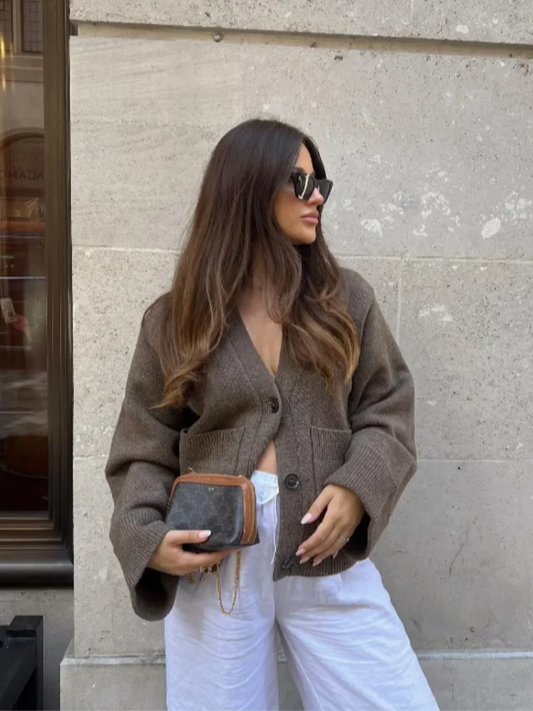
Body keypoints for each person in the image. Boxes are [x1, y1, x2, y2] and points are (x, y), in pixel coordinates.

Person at [105, 118, 439, 711]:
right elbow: (143, 445)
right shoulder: (176, 318)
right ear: (249, 187)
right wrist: (144, 537)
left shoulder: (346, 300)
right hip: (215, 560)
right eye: (300, 182)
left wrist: (358, 488)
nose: (317, 198)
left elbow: (388, 408)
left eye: (320, 184)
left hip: (323, 547)